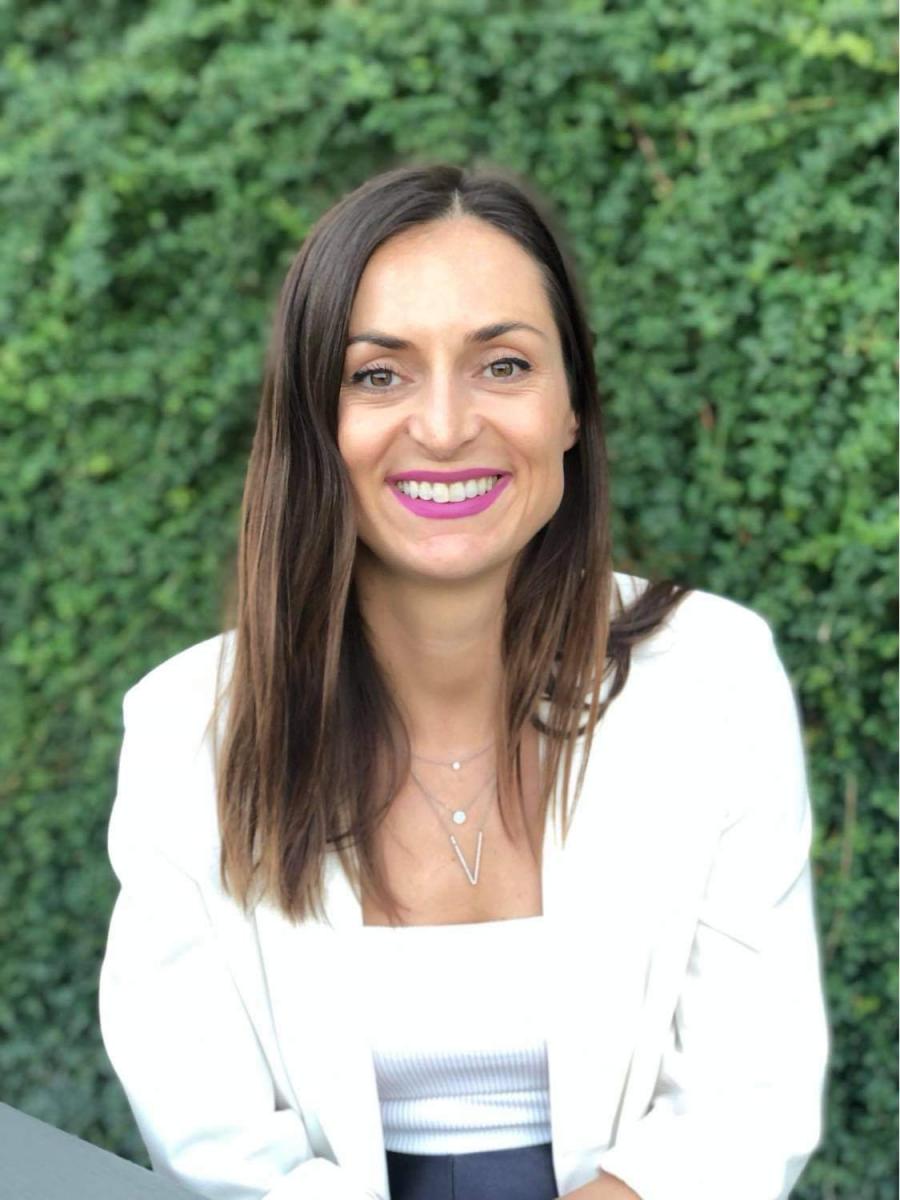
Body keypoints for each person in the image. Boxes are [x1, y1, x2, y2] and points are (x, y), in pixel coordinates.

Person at [98, 162, 831, 1200]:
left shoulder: (715, 676)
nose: (444, 427)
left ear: (572, 406)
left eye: (503, 365)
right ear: (315, 421)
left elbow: (747, 1093)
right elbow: (210, 1135)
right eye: (378, 375)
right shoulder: (187, 730)